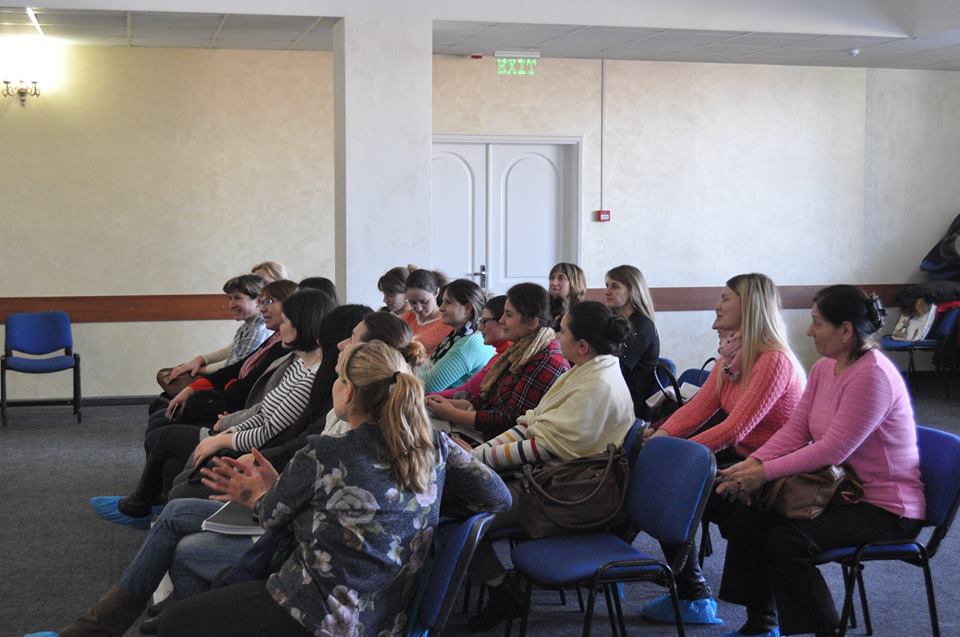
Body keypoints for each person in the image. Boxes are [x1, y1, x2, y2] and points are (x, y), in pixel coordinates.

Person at [156, 340, 512, 636]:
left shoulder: (325, 452)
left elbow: (270, 518)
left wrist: (257, 494)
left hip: (316, 614)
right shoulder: (436, 445)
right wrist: (414, 506)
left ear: (349, 392)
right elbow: (499, 497)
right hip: (386, 617)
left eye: (338, 377)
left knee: (176, 622)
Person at [715, 285, 925, 637]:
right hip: (843, 490)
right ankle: (761, 624)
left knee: (787, 540)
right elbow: (796, 431)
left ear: (845, 331)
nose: (810, 330)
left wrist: (763, 472)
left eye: (817, 323)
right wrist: (752, 465)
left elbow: (831, 451)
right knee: (750, 514)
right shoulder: (826, 367)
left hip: (887, 509)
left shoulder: (873, 376)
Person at [642, 273, 806, 625]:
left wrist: (675, 455)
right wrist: (660, 438)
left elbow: (735, 428)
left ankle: (762, 622)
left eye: (725, 297)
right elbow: (697, 410)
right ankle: (692, 596)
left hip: (776, 469)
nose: (717, 304)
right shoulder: (735, 355)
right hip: (746, 456)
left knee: (690, 489)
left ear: (750, 306)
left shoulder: (773, 360)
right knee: (666, 487)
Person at [91, 290, 330, 526]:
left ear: (302, 325)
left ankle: (147, 509)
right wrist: (225, 431)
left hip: (253, 450)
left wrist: (221, 439)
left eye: (285, 321)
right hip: (241, 432)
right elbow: (262, 411)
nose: (280, 328)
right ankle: (151, 510)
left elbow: (268, 431)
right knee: (170, 447)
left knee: (172, 454)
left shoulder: (309, 377)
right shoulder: (298, 364)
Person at [147, 280, 300, 433]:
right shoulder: (272, 337)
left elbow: (247, 385)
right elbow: (236, 365)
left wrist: (201, 384)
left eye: (268, 301)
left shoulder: (278, 341)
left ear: (290, 305)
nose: (262, 308)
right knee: (160, 412)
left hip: (240, 411)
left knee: (161, 427)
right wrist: (195, 377)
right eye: (262, 302)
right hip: (233, 397)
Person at [426, 283, 570, 440]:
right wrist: (443, 404)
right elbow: (485, 401)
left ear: (531, 322)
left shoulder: (545, 360)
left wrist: (451, 413)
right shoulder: (519, 350)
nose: (502, 320)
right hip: (490, 434)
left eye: (508, 315)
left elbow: (510, 421)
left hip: (502, 441)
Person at [157, 274, 270, 397]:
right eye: (230, 298)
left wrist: (198, 370)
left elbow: (234, 366)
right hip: (225, 377)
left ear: (258, 301)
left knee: (168, 377)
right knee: (169, 379)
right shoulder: (248, 326)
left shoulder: (258, 330)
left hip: (231, 384)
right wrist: (199, 360)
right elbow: (232, 350)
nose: (231, 305)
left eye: (237, 298)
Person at [418, 279, 495, 392]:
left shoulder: (469, 344)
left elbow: (427, 387)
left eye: (448, 302)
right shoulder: (460, 336)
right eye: (442, 301)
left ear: (468, 308)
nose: (441, 308)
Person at [604, 265, 661, 419]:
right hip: (613, 396)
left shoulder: (642, 325)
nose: (607, 291)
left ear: (632, 290)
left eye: (615, 286)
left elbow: (613, 368)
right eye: (607, 285)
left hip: (629, 405)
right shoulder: (615, 322)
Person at [432, 295, 512, 402]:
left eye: (485, 321)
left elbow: (430, 386)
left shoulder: (470, 343)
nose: (441, 308)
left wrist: (426, 397)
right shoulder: (500, 355)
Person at [401, 268, 451, 355]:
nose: (419, 308)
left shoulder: (448, 324)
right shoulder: (406, 318)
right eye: (413, 302)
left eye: (424, 302)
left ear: (437, 293)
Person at [547, 262, 587, 329]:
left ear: (575, 282)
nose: (554, 283)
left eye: (561, 278)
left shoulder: (582, 315)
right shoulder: (544, 309)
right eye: (552, 278)